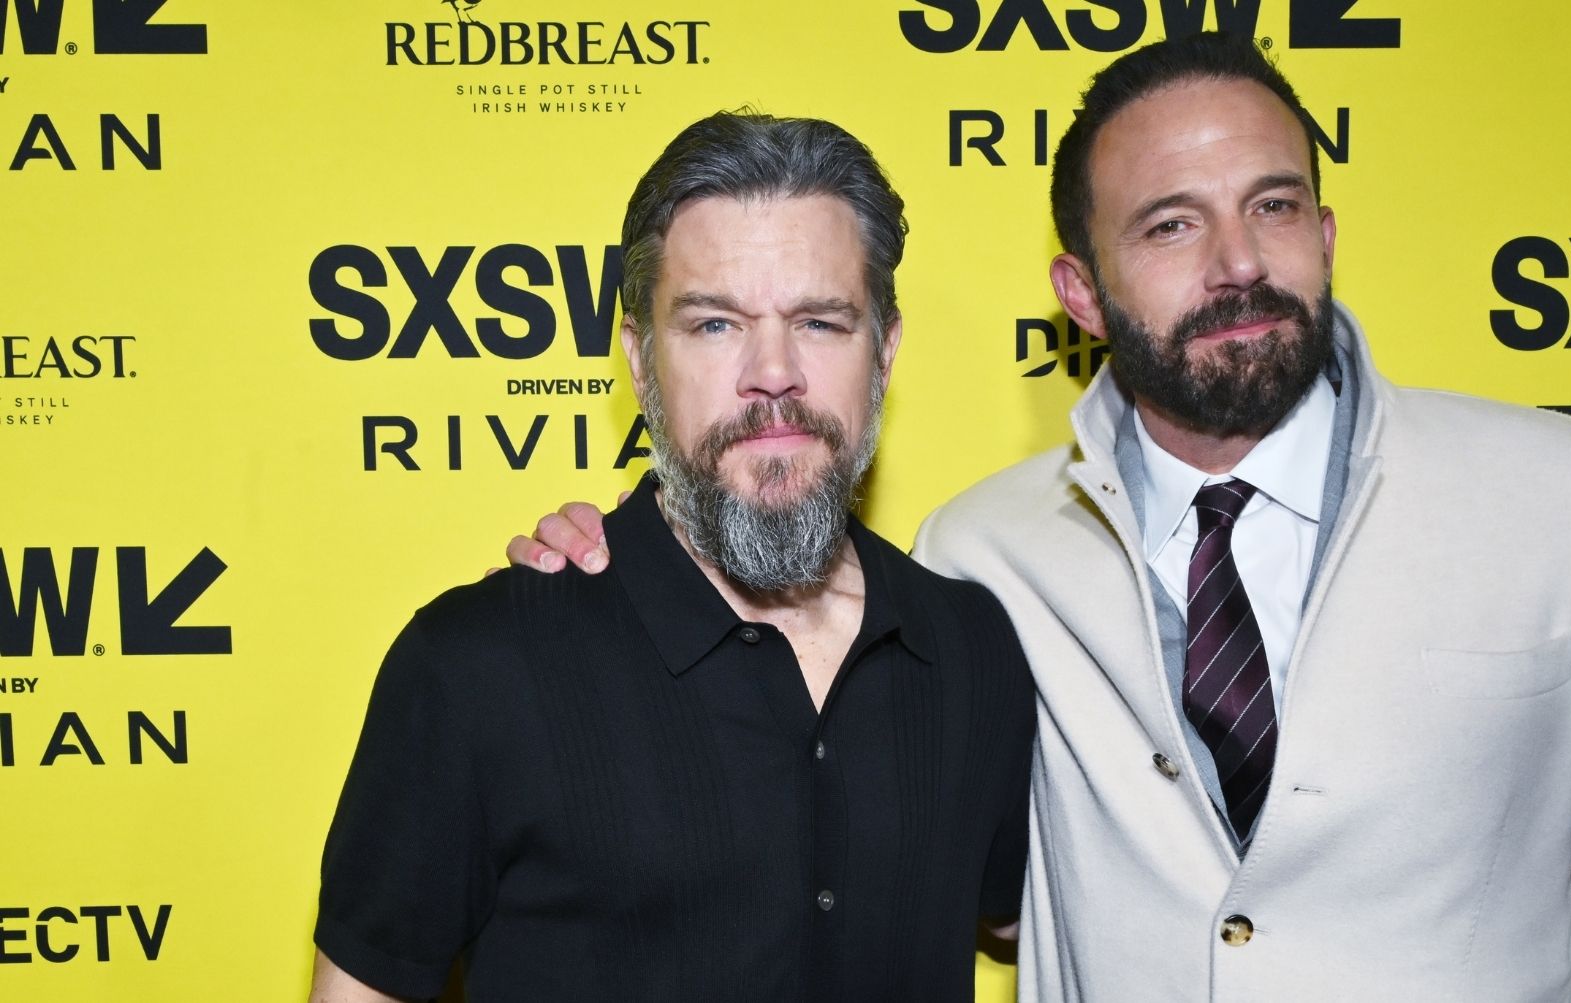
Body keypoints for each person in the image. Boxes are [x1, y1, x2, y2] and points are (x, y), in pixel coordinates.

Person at [515, 34, 1571, 1001]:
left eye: (1274, 206)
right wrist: (625, 574)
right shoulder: (975, 559)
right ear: (1082, 292)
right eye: (1171, 225)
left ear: (1326, 232)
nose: (1239, 262)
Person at [312, 112, 1035, 1002]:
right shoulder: (476, 666)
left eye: (819, 321)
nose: (774, 372)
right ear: (640, 359)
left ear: (884, 352)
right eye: (716, 324)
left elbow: (1040, 916)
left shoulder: (973, 646)